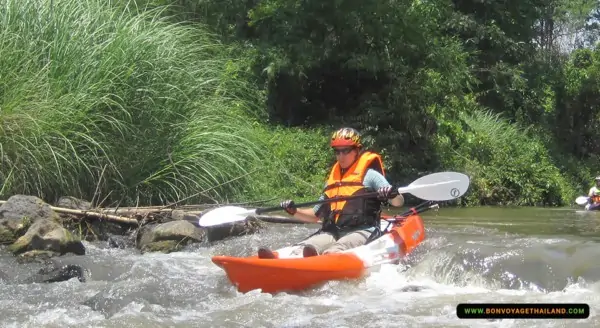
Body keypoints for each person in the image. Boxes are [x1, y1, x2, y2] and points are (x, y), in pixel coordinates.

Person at [258, 127, 405, 259]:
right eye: (337, 151)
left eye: (346, 151)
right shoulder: (332, 182)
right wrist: (293, 211)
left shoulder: (370, 176)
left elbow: (398, 202)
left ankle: (319, 264)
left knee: (335, 250)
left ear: (357, 151)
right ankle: (280, 262)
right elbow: (315, 216)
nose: (341, 156)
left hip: (363, 230)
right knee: (304, 248)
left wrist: (392, 194)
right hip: (334, 232)